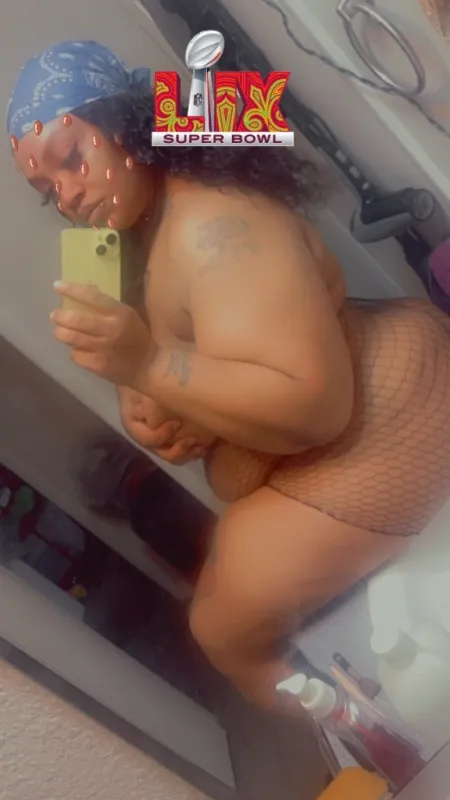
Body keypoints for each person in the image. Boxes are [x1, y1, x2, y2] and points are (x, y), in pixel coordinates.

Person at [8, 41, 450, 712]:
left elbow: (315, 407)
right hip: (334, 433)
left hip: (387, 427)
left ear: (124, 125)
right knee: (219, 598)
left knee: (221, 631)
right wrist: (145, 388)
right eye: (47, 191)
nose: (66, 193)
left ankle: (379, 740)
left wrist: (149, 365)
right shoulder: (137, 226)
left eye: (71, 158)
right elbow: (192, 344)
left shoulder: (211, 225)